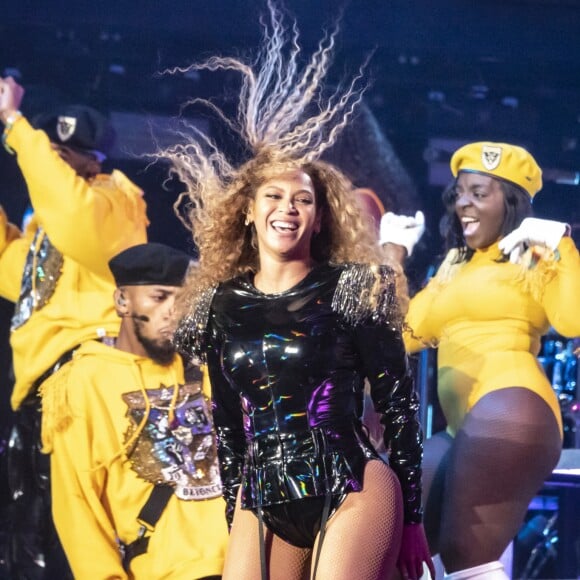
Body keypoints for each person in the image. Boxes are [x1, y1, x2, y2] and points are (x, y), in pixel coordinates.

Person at [164, 3, 433, 579]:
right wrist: (237, 521)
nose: (288, 208)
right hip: (263, 495)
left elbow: (398, 406)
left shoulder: (352, 290)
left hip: (353, 481)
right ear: (246, 213)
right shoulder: (219, 308)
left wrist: (413, 519)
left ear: (319, 217)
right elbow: (229, 428)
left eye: (303, 200)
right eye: (274, 198)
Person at [381, 141, 580, 579]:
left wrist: (563, 245)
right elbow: (401, 338)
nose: (463, 203)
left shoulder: (533, 254)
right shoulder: (454, 265)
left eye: (479, 193)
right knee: (404, 550)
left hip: (512, 406)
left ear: (510, 203)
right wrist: (393, 257)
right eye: (460, 193)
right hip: (458, 428)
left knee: (462, 562)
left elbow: (572, 321)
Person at [0, 76, 149, 578]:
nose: (56, 162)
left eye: (69, 153)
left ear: (96, 161)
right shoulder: (45, 237)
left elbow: (77, 219)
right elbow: (9, 264)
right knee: (32, 546)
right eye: (52, 153)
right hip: (39, 398)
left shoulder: (116, 202)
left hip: (87, 387)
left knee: (79, 548)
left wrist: (17, 127)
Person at [40, 242, 229, 579]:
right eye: (159, 297)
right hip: (164, 570)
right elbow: (76, 503)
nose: (173, 310)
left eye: (180, 299)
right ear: (122, 301)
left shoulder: (207, 367)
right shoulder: (84, 380)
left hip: (245, 562)